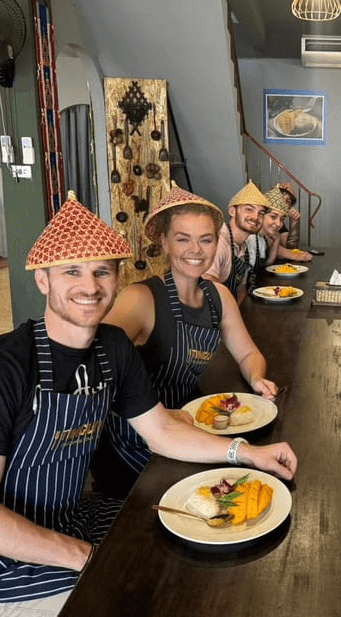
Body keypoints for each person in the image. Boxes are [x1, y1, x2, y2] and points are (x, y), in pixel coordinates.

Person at [0, 193, 297, 617]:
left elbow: (161, 431)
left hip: (69, 518)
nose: (90, 286)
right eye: (72, 272)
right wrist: (87, 558)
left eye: (103, 271)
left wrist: (248, 453)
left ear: (118, 279)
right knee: (137, 592)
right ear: (43, 280)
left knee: (184, 550)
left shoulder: (112, 347)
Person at [92, 187, 279, 498]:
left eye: (206, 239)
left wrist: (257, 378)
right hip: (137, 444)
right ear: (164, 241)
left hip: (191, 427)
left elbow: (247, 353)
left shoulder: (218, 296)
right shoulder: (141, 298)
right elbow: (94, 362)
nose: (196, 249)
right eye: (183, 238)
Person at [203, 180, 271, 303]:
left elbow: (241, 288)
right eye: (249, 209)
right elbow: (209, 289)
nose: (255, 217)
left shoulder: (242, 244)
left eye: (261, 213)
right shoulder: (219, 243)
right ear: (232, 211)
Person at [257, 185, 312, 263]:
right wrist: (294, 255)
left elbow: (291, 247)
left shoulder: (278, 223)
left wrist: (294, 222)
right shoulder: (252, 231)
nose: (283, 202)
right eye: (281, 197)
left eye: (288, 201)